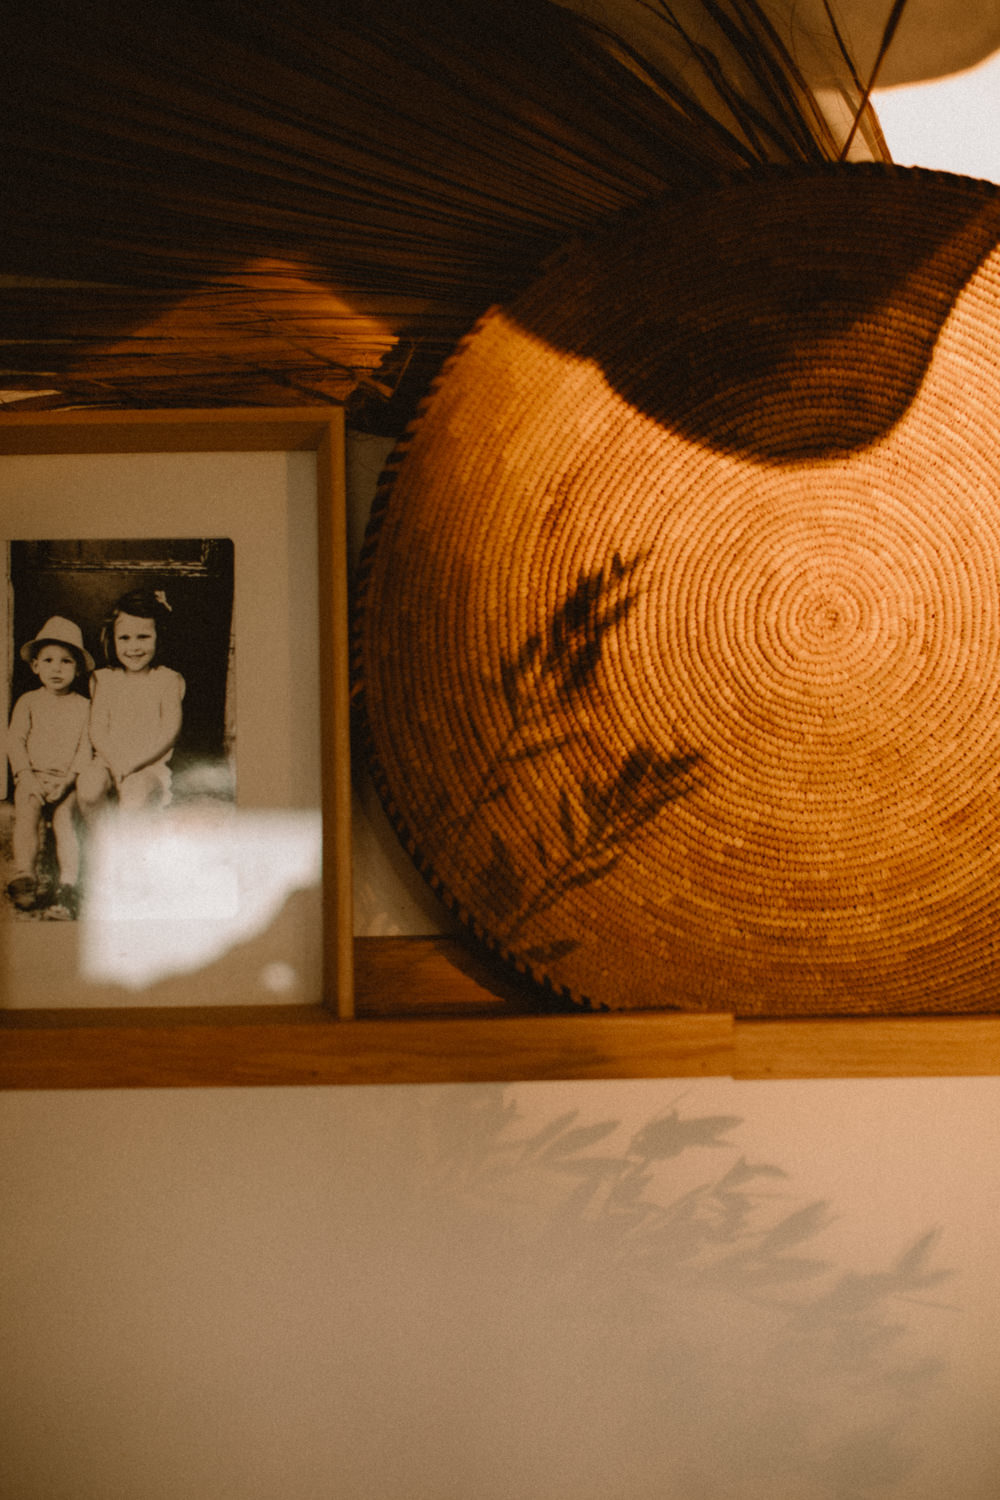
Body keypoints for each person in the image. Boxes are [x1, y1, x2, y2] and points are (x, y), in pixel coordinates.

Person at [6, 615, 94, 915]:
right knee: (27, 810)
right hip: (32, 777)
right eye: (48, 660)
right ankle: (24, 875)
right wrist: (25, 776)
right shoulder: (28, 702)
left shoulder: (84, 706)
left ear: (78, 668)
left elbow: (85, 748)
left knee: (65, 819)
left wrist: (67, 782)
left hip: (65, 781)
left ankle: (68, 884)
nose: (56, 668)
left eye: (66, 661)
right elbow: (14, 740)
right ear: (35, 666)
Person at [77, 588, 185, 821]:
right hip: (108, 760)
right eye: (124, 638)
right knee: (88, 787)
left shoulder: (167, 680)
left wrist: (132, 764)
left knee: (135, 797)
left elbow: (169, 732)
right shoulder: (104, 679)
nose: (133, 647)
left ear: (159, 637)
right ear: (112, 638)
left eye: (143, 637)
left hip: (148, 764)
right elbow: (97, 728)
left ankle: (126, 852)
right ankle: (99, 846)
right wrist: (116, 763)